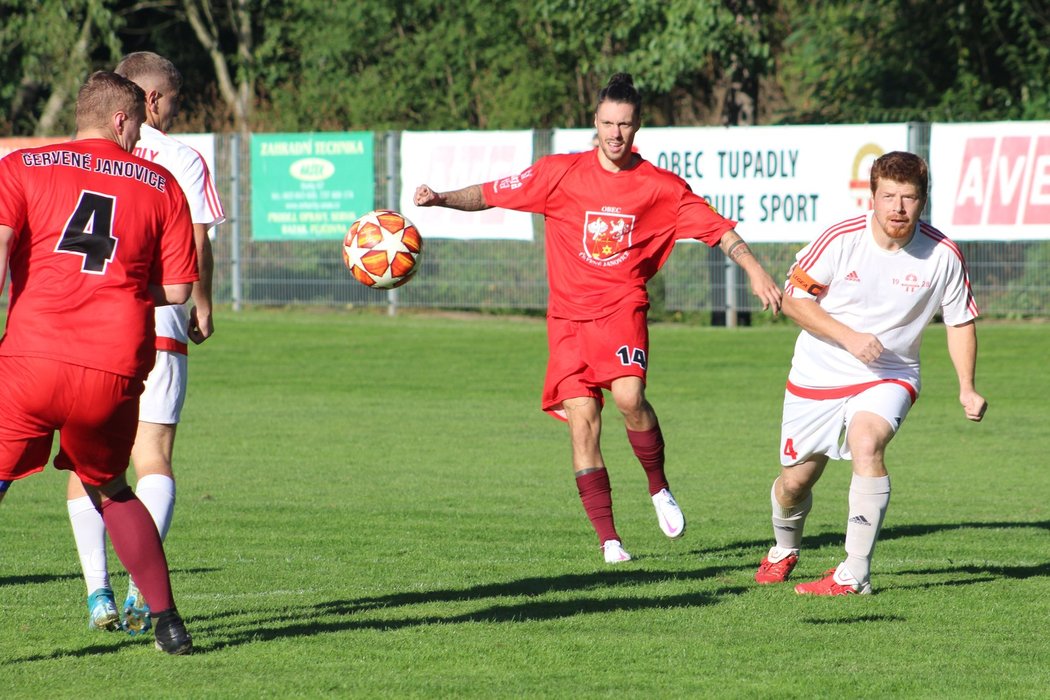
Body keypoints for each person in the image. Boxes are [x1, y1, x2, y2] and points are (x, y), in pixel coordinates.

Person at [414, 73, 782, 563]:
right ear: (595, 122)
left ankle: (657, 486)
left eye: (624, 125)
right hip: (566, 321)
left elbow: (718, 230)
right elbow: (489, 193)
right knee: (582, 424)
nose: (615, 134)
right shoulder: (558, 173)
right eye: (607, 123)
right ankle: (610, 539)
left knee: (630, 396)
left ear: (638, 126)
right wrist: (441, 198)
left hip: (620, 308)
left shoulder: (659, 187)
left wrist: (755, 270)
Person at [0, 71, 198, 654]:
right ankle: (169, 625)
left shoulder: (22, 166)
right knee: (111, 488)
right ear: (119, 118)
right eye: (138, 122)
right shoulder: (159, 183)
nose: (141, 135)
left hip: (31, 356)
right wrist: (125, 286)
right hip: (111, 364)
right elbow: (182, 290)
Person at [753, 150, 987, 595]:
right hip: (819, 373)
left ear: (923, 200)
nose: (899, 208)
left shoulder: (943, 254)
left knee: (867, 441)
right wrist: (849, 337)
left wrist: (967, 388)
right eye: (889, 196)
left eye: (909, 198)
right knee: (794, 482)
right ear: (873, 198)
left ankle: (854, 572)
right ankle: (785, 547)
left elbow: (959, 322)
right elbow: (793, 300)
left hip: (890, 373)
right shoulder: (842, 239)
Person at [64, 51, 225, 636]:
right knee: (152, 455)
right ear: (150, 101)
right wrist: (203, 304)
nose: (174, 115)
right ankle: (144, 587)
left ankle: (97, 592)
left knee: (86, 461)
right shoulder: (179, 158)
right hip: (157, 317)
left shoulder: (79, 154)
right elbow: (197, 242)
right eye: (175, 102)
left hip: (84, 324)